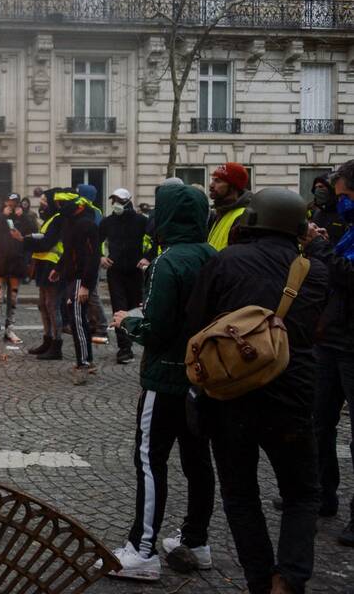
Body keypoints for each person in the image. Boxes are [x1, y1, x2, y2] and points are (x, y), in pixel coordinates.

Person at [186, 188, 328, 594]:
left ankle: (258, 580)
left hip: (231, 395)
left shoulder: (224, 262)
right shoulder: (311, 270)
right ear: (299, 228)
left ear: (250, 221)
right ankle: (289, 579)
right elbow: (317, 328)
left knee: (240, 492)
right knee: (302, 492)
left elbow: (196, 321)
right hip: (293, 391)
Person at [108, 184, 217, 580]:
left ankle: (142, 549)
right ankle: (196, 541)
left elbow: (157, 327)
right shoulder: (211, 255)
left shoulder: (166, 262)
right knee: (197, 459)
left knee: (150, 461)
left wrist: (128, 321)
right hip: (203, 378)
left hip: (167, 377)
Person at [300, 160, 354, 548]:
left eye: (345, 195)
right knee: (318, 421)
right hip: (330, 337)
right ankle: (322, 496)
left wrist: (319, 247)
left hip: (351, 343)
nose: (340, 202)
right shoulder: (347, 229)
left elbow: (347, 276)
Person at [99, 188, 150, 364]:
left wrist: (147, 257)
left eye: (119, 201)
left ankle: (138, 341)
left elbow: (156, 240)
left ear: (128, 201)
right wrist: (101, 257)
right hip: (115, 272)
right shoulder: (108, 222)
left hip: (135, 271)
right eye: (113, 201)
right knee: (119, 308)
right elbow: (96, 241)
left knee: (135, 308)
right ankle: (124, 348)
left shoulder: (141, 221)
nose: (115, 204)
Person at [18, 189, 67, 360]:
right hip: (43, 265)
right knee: (43, 305)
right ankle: (47, 340)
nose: (42, 204)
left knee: (52, 306)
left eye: (45, 201)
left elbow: (47, 242)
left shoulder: (58, 219)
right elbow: (44, 237)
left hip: (53, 266)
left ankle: (56, 345)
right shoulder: (49, 219)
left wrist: (25, 240)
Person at [56, 191, 100, 380]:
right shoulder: (70, 222)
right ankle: (83, 358)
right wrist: (58, 267)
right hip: (72, 276)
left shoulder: (87, 224)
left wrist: (86, 285)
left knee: (78, 320)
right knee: (76, 319)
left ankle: (85, 361)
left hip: (81, 278)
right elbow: (69, 251)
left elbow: (93, 257)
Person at [0, 194, 34, 343]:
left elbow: (32, 232)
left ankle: (10, 330)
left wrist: (24, 216)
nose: (12, 205)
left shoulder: (23, 217)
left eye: (15, 202)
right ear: (5, 202)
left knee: (13, 299)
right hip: (0, 261)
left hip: (16, 262)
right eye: (10, 201)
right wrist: (2, 215)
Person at [77, 183, 110, 344]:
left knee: (92, 293)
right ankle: (92, 323)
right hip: (88, 257)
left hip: (92, 258)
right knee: (88, 294)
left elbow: (96, 238)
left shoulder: (94, 212)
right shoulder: (90, 211)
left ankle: (102, 325)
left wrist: (100, 255)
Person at [206, 162, 252, 251]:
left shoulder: (242, 217)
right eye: (213, 180)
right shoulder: (221, 212)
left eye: (218, 181)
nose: (211, 185)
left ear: (233, 187)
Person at [309, 174, 347, 245]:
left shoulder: (345, 213)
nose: (317, 190)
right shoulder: (316, 212)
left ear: (331, 190)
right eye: (315, 188)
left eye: (321, 187)